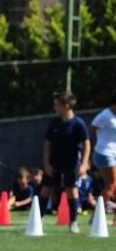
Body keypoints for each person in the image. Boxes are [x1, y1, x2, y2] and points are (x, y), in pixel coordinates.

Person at [43, 91, 91, 233]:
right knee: (46, 189)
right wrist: (46, 163)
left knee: (72, 191)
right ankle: (39, 219)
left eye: (57, 105)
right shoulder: (54, 123)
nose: (55, 108)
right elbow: (47, 144)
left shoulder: (78, 123)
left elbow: (86, 143)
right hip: (54, 162)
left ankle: (73, 222)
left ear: (67, 106)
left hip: (71, 163)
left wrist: (84, 163)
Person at [90, 92, 116, 212]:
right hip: (105, 153)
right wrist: (96, 145)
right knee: (110, 185)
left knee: (112, 186)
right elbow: (91, 128)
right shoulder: (105, 115)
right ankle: (96, 215)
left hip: (113, 154)